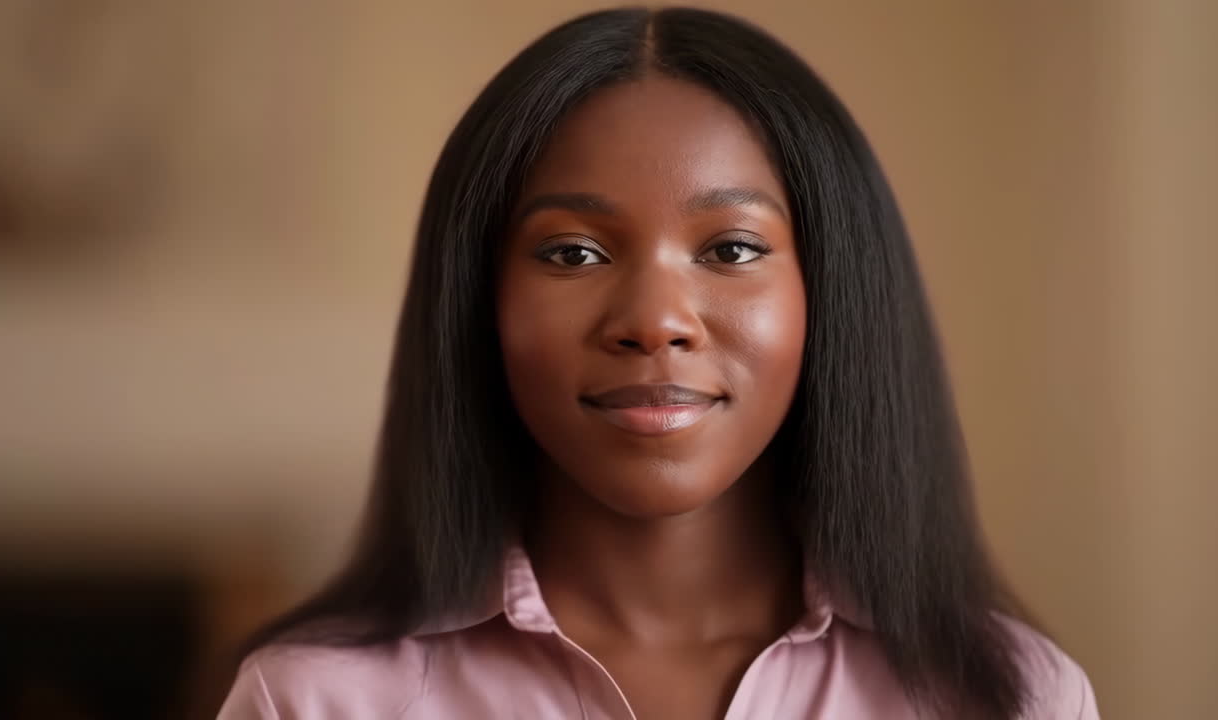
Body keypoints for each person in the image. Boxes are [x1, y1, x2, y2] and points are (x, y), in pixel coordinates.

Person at [218, 7, 1098, 719]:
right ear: (475, 303)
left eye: (732, 249)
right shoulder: (314, 701)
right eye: (571, 253)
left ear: (831, 292)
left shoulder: (1011, 700)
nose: (654, 322)